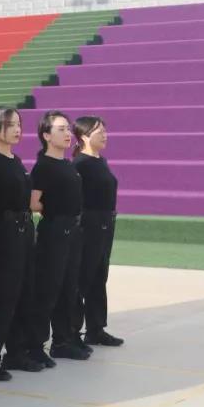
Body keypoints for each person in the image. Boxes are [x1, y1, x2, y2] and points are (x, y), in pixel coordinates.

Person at [0, 107, 41, 380]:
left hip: (23, 231)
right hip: (2, 234)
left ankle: (16, 352)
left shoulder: (15, 160)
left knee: (24, 293)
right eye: (10, 124)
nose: (17, 129)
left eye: (18, 124)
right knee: (1, 297)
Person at [27, 110, 88, 366]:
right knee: (48, 289)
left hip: (73, 230)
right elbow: (33, 202)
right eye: (61, 129)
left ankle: (63, 340)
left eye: (68, 129)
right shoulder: (43, 166)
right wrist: (55, 212)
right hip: (54, 231)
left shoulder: (67, 165)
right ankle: (35, 344)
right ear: (46, 135)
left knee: (68, 287)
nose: (67, 134)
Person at [72, 116, 124, 348]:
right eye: (99, 131)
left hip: (106, 223)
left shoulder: (100, 161)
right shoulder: (80, 164)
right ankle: (72, 330)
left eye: (105, 130)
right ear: (84, 136)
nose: (104, 135)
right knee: (83, 277)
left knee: (99, 276)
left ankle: (96, 328)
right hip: (89, 225)